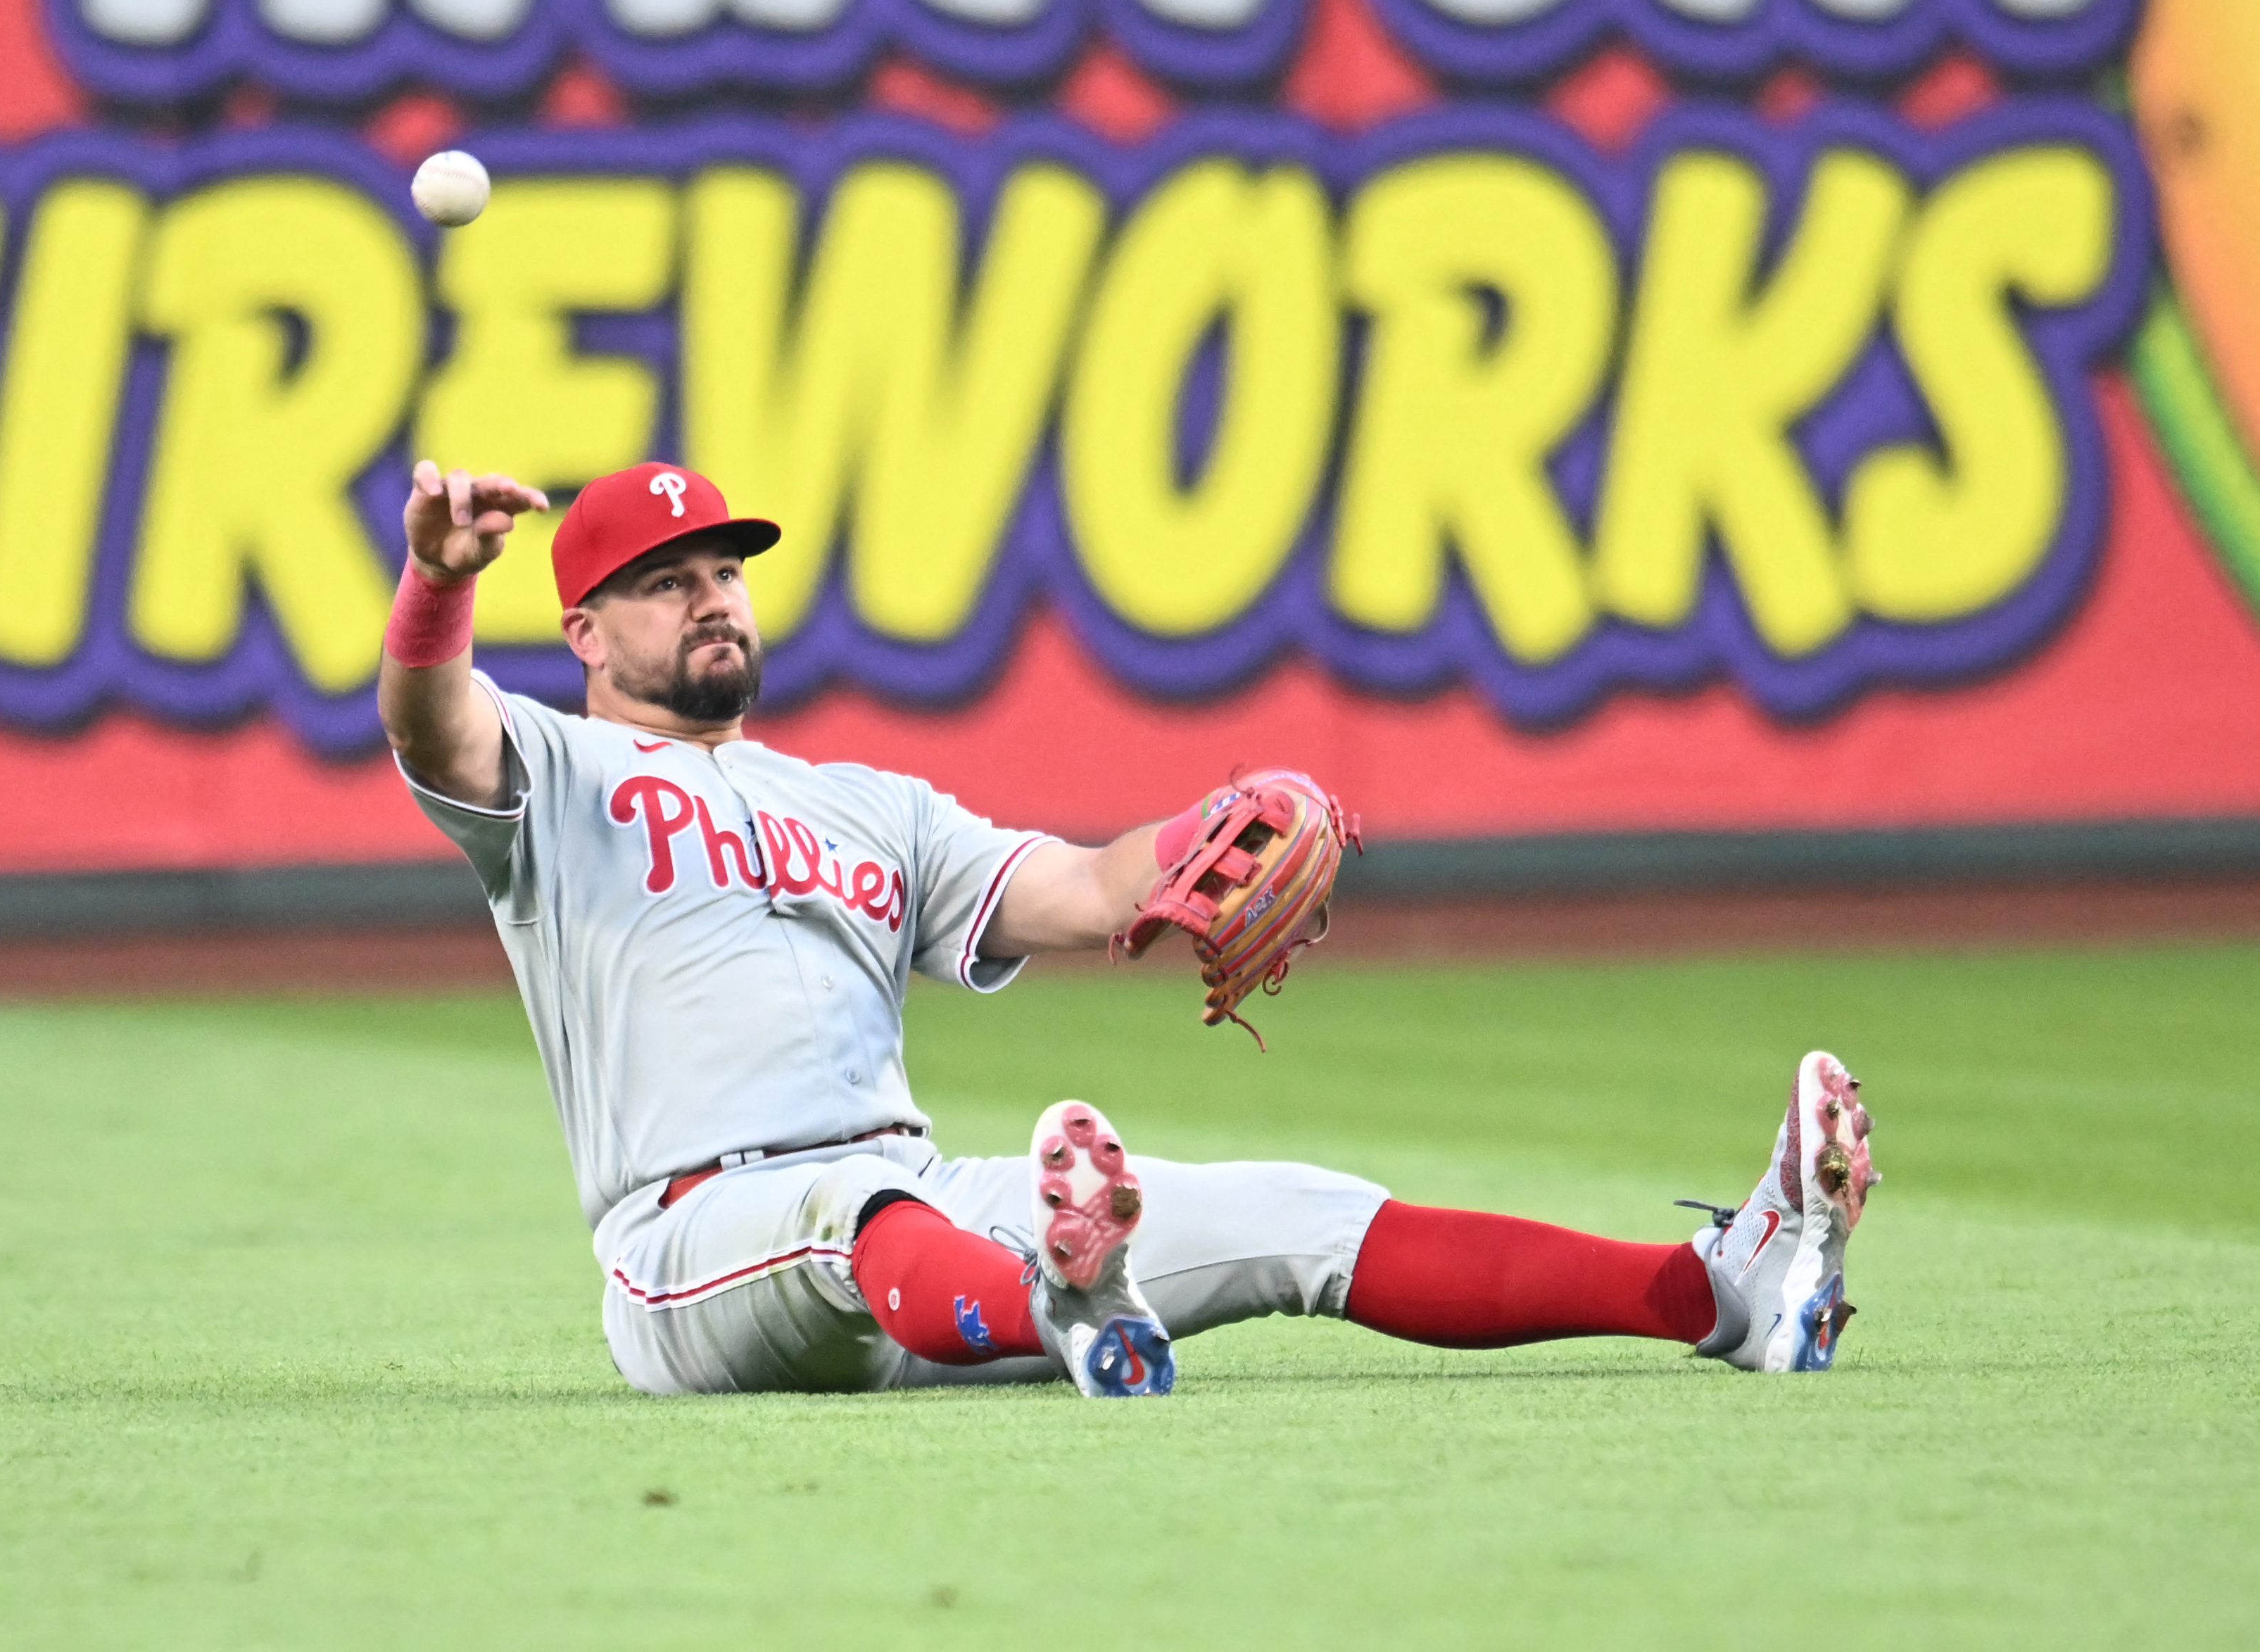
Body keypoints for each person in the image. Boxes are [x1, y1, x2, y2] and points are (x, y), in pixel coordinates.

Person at [377, 459, 1877, 1396]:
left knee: (1300, 1210)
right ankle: (1056, 1295)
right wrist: (438, 587)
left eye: (722, 571)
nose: (710, 599)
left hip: (922, 1213)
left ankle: (1712, 1294)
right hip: (695, 1238)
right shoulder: (557, 772)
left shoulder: (863, 806)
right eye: (662, 584)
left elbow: (1094, 890)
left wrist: (1218, 824)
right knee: (857, 1223)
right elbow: (432, 728)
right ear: (583, 635)